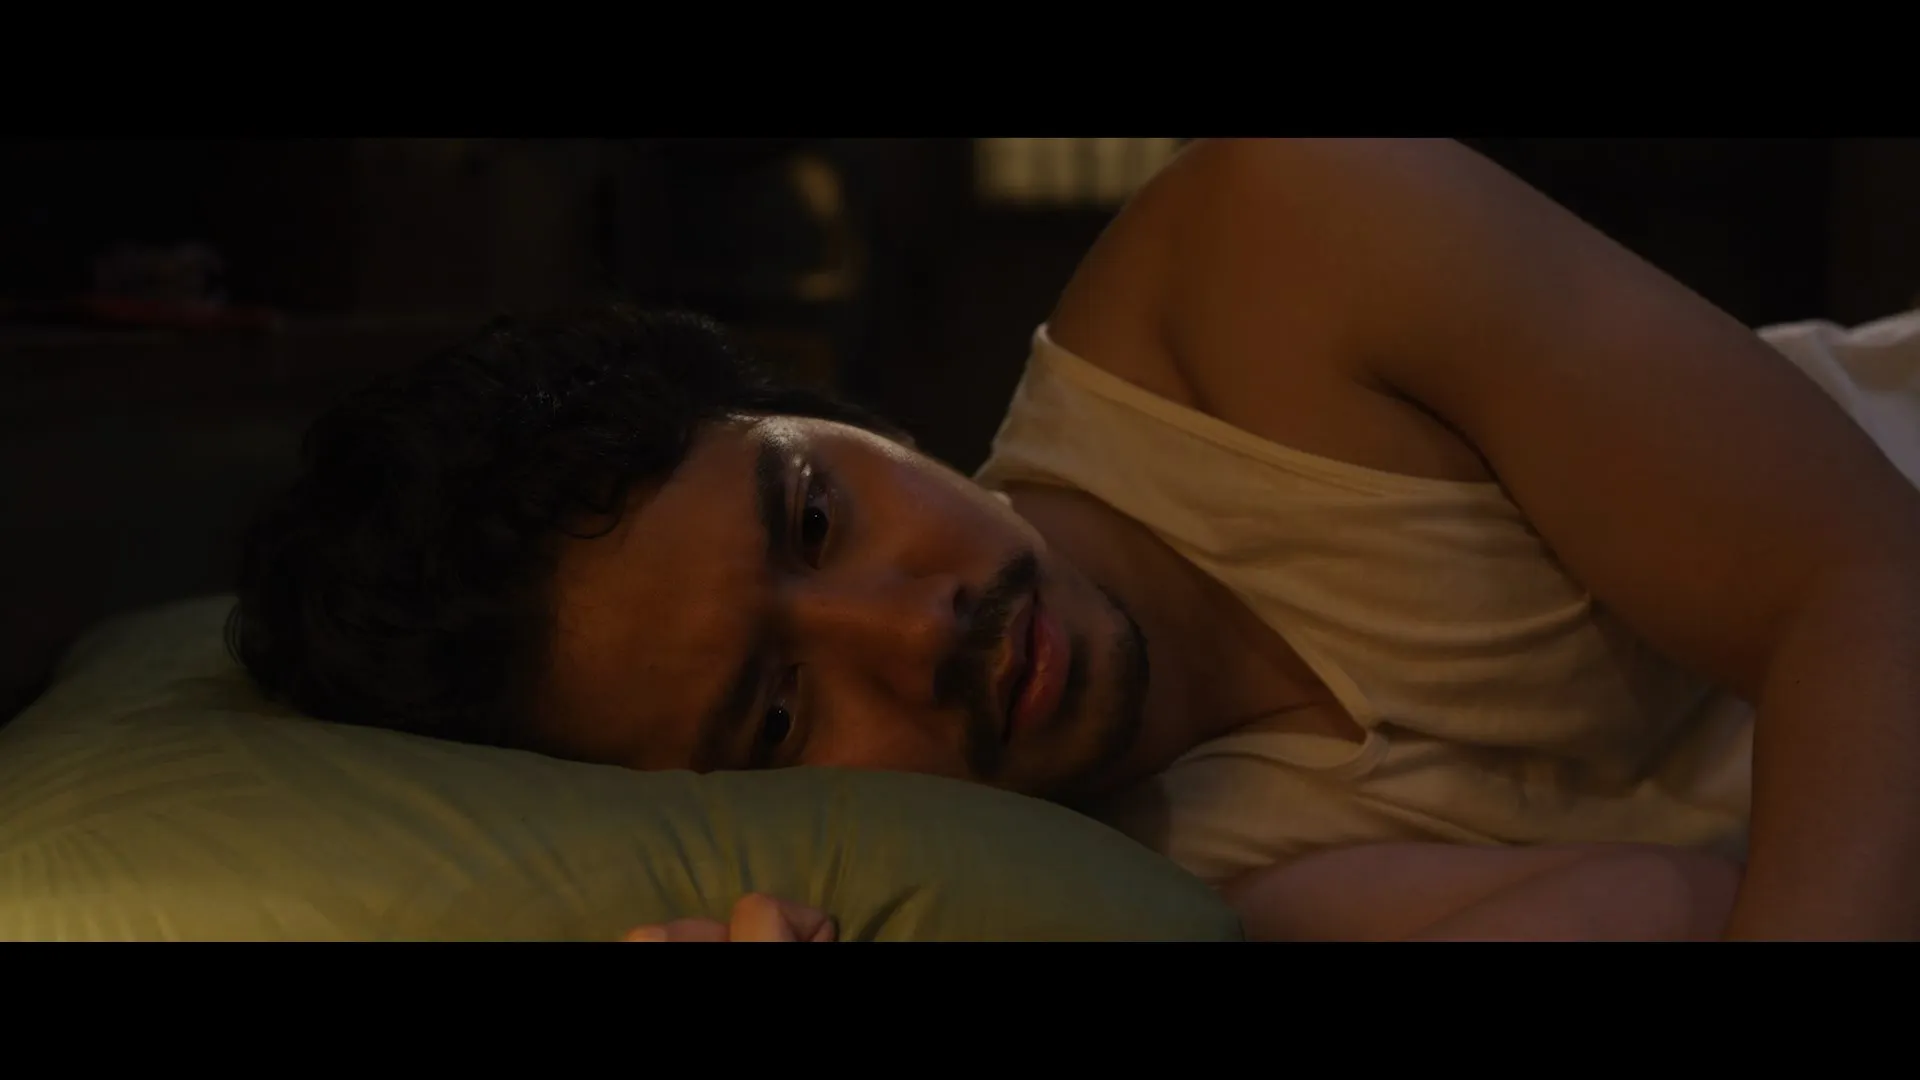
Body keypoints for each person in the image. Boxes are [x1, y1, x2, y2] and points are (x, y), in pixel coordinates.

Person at [229, 139, 1920, 940]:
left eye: (816, 512)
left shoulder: (1278, 252)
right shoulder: (1126, 890)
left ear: (848, 420)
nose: (914, 630)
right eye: (781, 714)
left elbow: (1867, 590)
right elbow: (1660, 909)